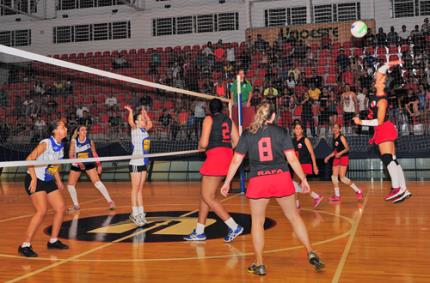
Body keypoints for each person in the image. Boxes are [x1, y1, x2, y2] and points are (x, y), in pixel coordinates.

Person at [220, 103, 325, 275]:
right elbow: (291, 159)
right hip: (281, 177)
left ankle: (260, 264)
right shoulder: (281, 132)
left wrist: (227, 182)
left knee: (257, 223)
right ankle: (310, 251)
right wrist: (304, 179)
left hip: (258, 180)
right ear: (273, 117)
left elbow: (236, 161)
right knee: (294, 217)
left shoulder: (247, 134)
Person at [184, 99, 243, 242]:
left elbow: (203, 143)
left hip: (215, 158)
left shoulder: (208, 119)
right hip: (227, 157)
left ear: (209, 109)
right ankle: (199, 231)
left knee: (208, 197)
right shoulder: (229, 120)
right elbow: (236, 142)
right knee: (205, 195)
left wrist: (201, 145)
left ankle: (233, 226)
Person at [353, 61, 412, 203]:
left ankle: (396, 187)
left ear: (383, 84)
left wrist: (361, 122)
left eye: (380, 79)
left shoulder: (382, 101)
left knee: (387, 158)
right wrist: (393, 62)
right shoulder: (377, 94)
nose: (377, 78)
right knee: (393, 160)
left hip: (384, 128)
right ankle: (404, 189)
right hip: (383, 129)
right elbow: (380, 70)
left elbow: (378, 121)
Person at [19, 120, 69, 257]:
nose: (65, 128)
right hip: (34, 179)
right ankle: (25, 245)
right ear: (55, 131)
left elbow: (54, 165)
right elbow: (29, 159)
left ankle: (53, 241)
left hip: (48, 179)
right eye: (62, 127)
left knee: (60, 208)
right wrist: (34, 178)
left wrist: (58, 179)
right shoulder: (46, 143)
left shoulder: (61, 145)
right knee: (42, 211)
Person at [67, 125, 115, 212]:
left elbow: (94, 153)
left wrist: (99, 165)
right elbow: (70, 155)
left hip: (88, 163)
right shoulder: (74, 142)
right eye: (82, 130)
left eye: (85, 130)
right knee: (70, 185)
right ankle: (76, 205)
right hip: (77, 164)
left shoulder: (90, 141)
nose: (84, 131)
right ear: (78, 132)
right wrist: (79, 163)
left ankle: (110, 202)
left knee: (97, 183)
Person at [124, 105, 153, 226]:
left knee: (140, 190)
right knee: (135, 190)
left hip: (143, 163)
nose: (144, 121)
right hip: (135, 163)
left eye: (143, 119)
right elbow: (130, 121)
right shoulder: (135, 130)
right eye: (141, 119)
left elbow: (150, 124)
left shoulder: (144, 130)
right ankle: (135, 214)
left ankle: (141, 214)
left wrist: (146, 115)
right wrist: (131, 111)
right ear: (136, 122)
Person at [324, 124, 363, 202]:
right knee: (334, 177)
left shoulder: (341, 137)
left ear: (340, 129)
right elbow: (335, 151)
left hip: (343, 158)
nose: (335, 129)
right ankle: (337, 196)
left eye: (336, 128)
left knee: (342, 178)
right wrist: (328, 157)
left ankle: (358, 191)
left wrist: (340, 153)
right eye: (333, 127)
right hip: (336, 158)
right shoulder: (334, 138)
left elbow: (347, 148)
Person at [292, 121, 324, 209]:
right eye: (296, 129)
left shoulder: (305, 140)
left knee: (295, 184)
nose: (297, 130)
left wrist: (315, 166)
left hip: (305, 165)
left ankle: (316, 197)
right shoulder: (293, 141)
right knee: (294, 185)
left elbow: (312, 153)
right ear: (294, 130)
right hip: (298, 166)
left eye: (299, 129)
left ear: (302, 130)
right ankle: (299, 203)